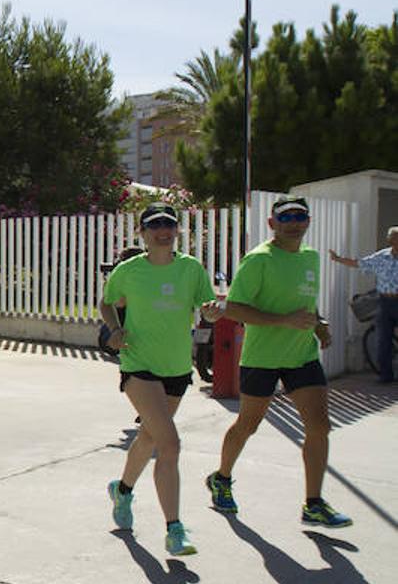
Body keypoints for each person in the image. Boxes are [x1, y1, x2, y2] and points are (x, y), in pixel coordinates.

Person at [209, 196, 351, 527]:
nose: (294, 222)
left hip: (302, 356)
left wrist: (319, 324)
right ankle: (222, 478)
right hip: (263, 358)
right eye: (286, 217)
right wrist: (283, 321)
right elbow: (233, 308)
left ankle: (313, 503)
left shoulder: (311, 257)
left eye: (300, 216)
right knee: (248, 425)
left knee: (319, 427)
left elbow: (306, 303)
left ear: (309, 221)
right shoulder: (258, 260)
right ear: (273, 224)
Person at [100, 203, 222, 556]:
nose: (162, 230)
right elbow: (106, 303)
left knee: (150, 438)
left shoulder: (191, 269)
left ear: (177, 230)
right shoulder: (129, 271)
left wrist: (212, 311)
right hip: (139, 366)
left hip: (176, 369)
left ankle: (122, 490)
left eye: (169, 223)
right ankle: (175, 530)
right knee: (170, 444)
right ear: (143, 232)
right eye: (154, 225)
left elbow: (206, 306)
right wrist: (115, 329)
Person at [329, 226, 398, 384]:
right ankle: (385, 376)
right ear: (390, 240)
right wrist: (338, 259)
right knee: (383, 340)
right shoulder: (382, 256)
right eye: (395, 238)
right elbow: (360, 264)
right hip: (385, 302)